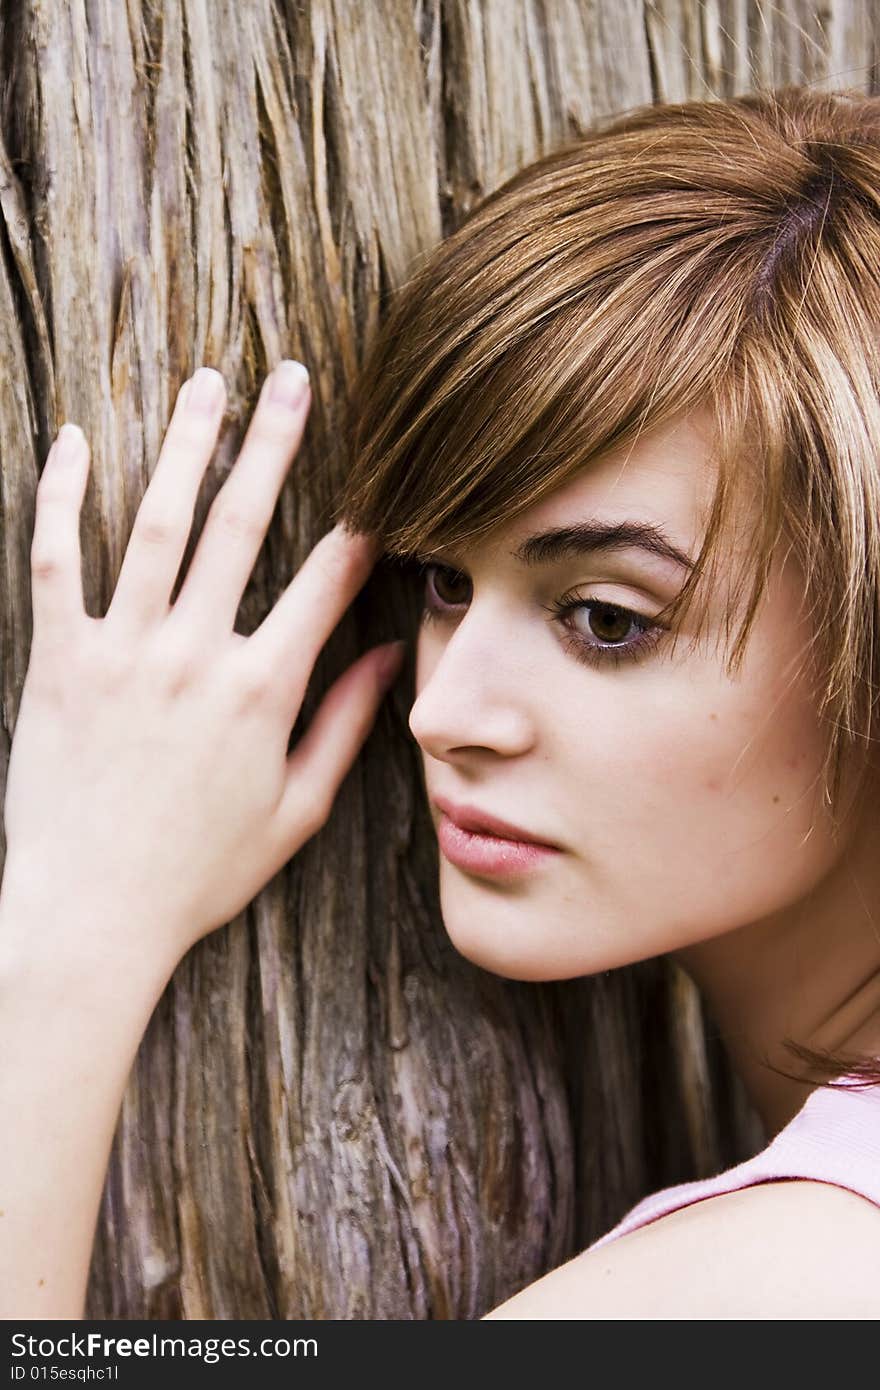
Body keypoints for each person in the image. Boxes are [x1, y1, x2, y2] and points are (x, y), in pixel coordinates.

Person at [2, 83, 880, 1320]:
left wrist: (74, 931)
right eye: (444, 583)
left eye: (607, 619)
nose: (442, 710)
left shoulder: (780, 1284)